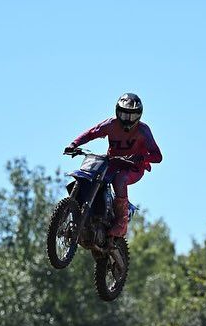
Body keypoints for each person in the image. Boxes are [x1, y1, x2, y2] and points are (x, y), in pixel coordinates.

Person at [65, 92, 163, 244]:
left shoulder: (143, 130)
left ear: (139, 116)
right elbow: (92, 133)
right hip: (113, 162)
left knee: (120, 179)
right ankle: (89, 213)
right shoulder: (110, 124)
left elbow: (158, 156)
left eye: (131, 116)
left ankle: (121, 222)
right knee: (91, 175)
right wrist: (74, 144)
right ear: (117, 111)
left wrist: (142, 157)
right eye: (123, 115)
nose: (126, 119)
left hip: (133, 167)